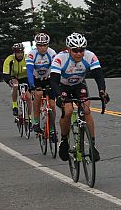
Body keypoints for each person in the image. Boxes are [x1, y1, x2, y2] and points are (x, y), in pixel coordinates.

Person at [50, 32, 110, 162]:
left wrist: (102, 91)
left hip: (79, 84)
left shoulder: (90, 56)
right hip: (62, 86)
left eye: (81, 50)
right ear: (68, 50)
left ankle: (92, 146)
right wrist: (58, 96)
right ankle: (64, 140)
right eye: (75, 50)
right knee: (68, 111)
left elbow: (98, 76)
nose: (79, 53)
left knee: (86, 111)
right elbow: (53, 81)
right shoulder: (60, 58)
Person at [26, 33, 57, 133]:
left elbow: (56, 70)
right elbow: (29, 71)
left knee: (52, 105)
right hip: (36, 79)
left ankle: (52, 128)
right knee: (38, 94)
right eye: (40, 45)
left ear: (48, 45)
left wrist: (56, 83)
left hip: (48, 78)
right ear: (36, 46)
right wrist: (32, 86)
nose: (42, 48)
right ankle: (36, 122)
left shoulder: (52, 53)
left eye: (45, 45)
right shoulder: (32, 54)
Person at [2, 43, 31, 117]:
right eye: (18, 52)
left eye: (21, 52)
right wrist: (9, 81)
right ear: (14, 53)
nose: (20, 54)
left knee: (28, 97)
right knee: (15, 85)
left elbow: (32, 70)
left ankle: (30, 116)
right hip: (14, 77)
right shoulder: (9, 59)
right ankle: (15, 106)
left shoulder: (27, 58)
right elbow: (6, 73)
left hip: (25, 77)